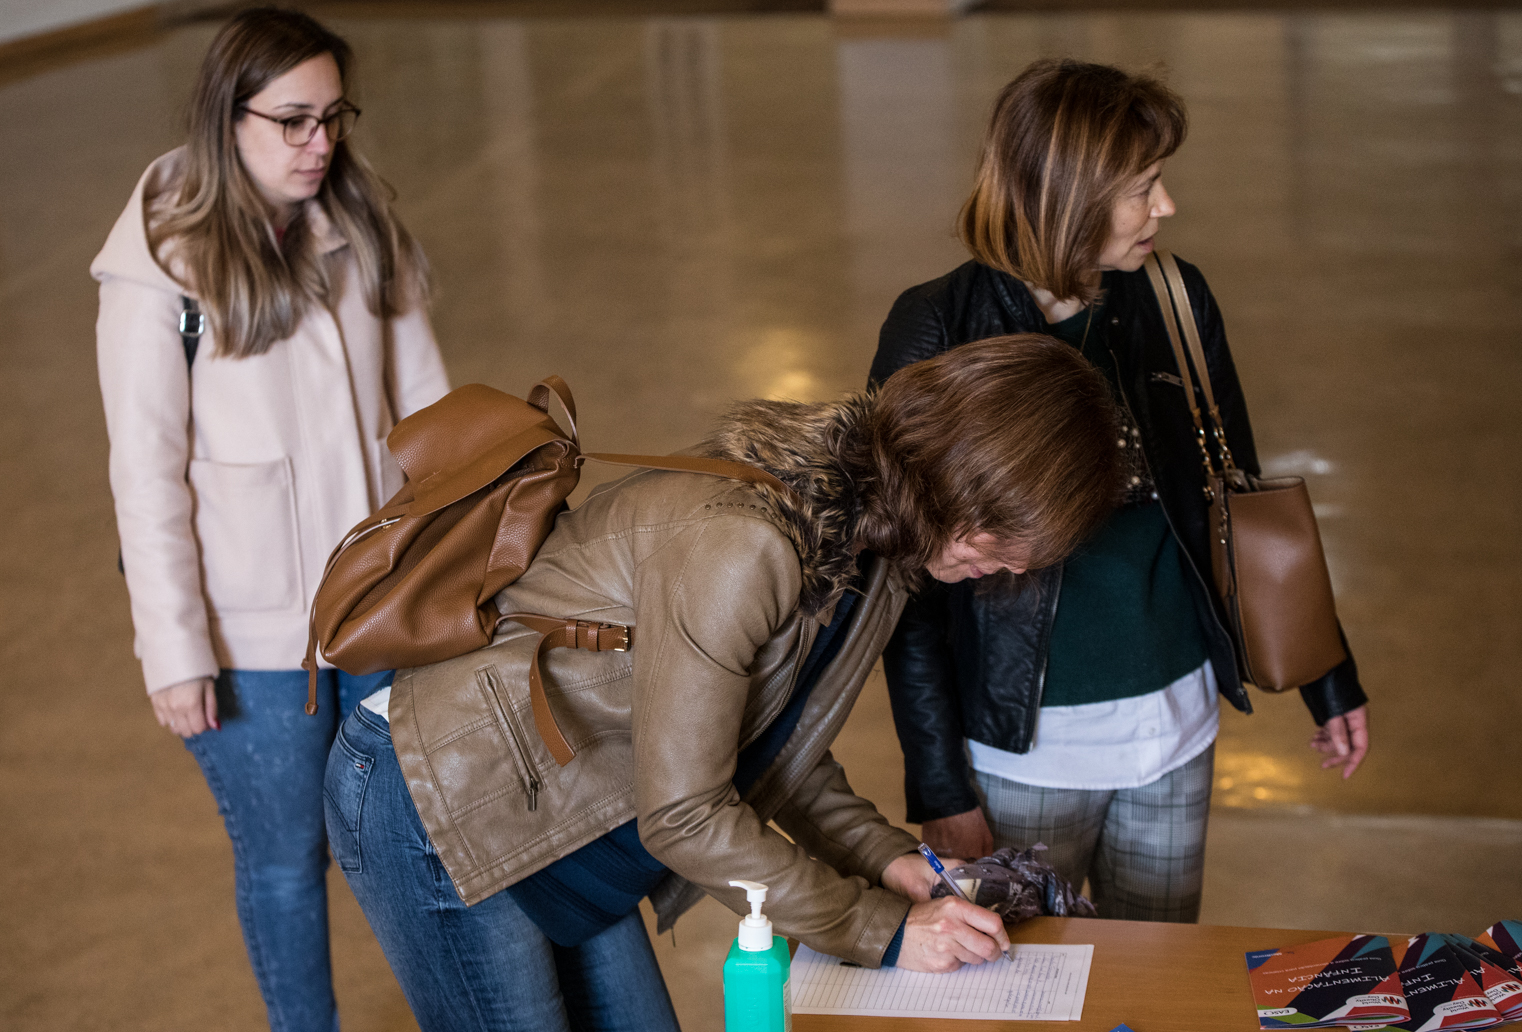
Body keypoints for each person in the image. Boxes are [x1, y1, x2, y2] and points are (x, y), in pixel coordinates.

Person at [324, 334, 1121, 1031]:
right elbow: (684, 814)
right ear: (968, 480)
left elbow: (773, 744)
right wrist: (880, 929)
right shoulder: (746, 545)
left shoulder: (880, 549)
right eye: (1014, 536)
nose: (1015, 565)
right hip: (433, 791)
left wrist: (887, 861)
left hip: (555, 795)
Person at [868, 59, 1372, 923]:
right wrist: (939, 785)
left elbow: (1239, 498)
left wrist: (1328, 673)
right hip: (1020, 757)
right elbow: (903, 575)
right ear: (1064, 193)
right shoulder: (938, 326)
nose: (1164, 207)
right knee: (1017, 989)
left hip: (1174, 731)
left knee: (1158, 988)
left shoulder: (1175, 298)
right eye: (1142, 188)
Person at [92, 10, 449, 1030]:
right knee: (288, 860)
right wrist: (175, 652)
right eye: (292, 121)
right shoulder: (159, 263)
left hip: (376, 610)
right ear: (225, 118)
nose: (320, 144)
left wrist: (446, 576)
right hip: (249, 634)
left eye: (334, 117)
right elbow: (146, 473)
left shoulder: (362, 222)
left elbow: (428, 415)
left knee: (413, 836)